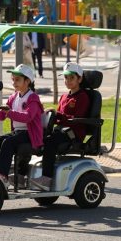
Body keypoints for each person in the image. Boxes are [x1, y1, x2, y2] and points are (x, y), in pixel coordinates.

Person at [31, 62, 90, 191]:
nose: (67, 81)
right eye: (65, 77)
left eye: (71, 78)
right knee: (34, 137)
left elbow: (75, 120)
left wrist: (58, 115)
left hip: (72, 134)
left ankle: (46, 179)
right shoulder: (64, 96)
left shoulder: (83, 97)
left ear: (79, 79)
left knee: (49, 142)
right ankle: (22, 173)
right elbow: (59, 117)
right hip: (61, 131)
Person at [0, 64, 44, 187]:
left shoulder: (32, 97)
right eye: (13, 79)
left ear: (27, 81)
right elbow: (2, 116)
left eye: (17, 80)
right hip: (18, 133)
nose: (14, 82)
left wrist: (9, 113)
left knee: (8, 143)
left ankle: (2, 176)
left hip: (30, 135)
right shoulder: (13, 97)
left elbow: (28, 117)